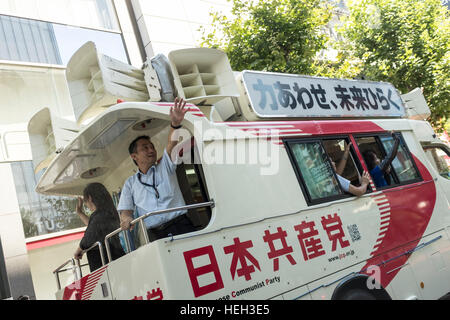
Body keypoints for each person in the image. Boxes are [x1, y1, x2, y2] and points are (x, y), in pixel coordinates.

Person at [117, 97, 196, 242]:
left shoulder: (165, 166)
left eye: (152, 146)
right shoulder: (130, 184)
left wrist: (175, 124)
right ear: (134, 156)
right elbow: (126, 211)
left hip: (181, 225)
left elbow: (171, 143)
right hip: (157, 235)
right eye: (145, 148)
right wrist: (126, 219)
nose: (151, 149)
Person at [74, 183, 125, 272]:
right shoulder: (109, 212)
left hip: (105, 262)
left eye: (85, 201)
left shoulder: (100, 215)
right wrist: (80, 213)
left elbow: (89, 237)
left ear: (89, 198)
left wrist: (79, 250)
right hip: (116, 257)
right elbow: (93, 227)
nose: (86, 205)